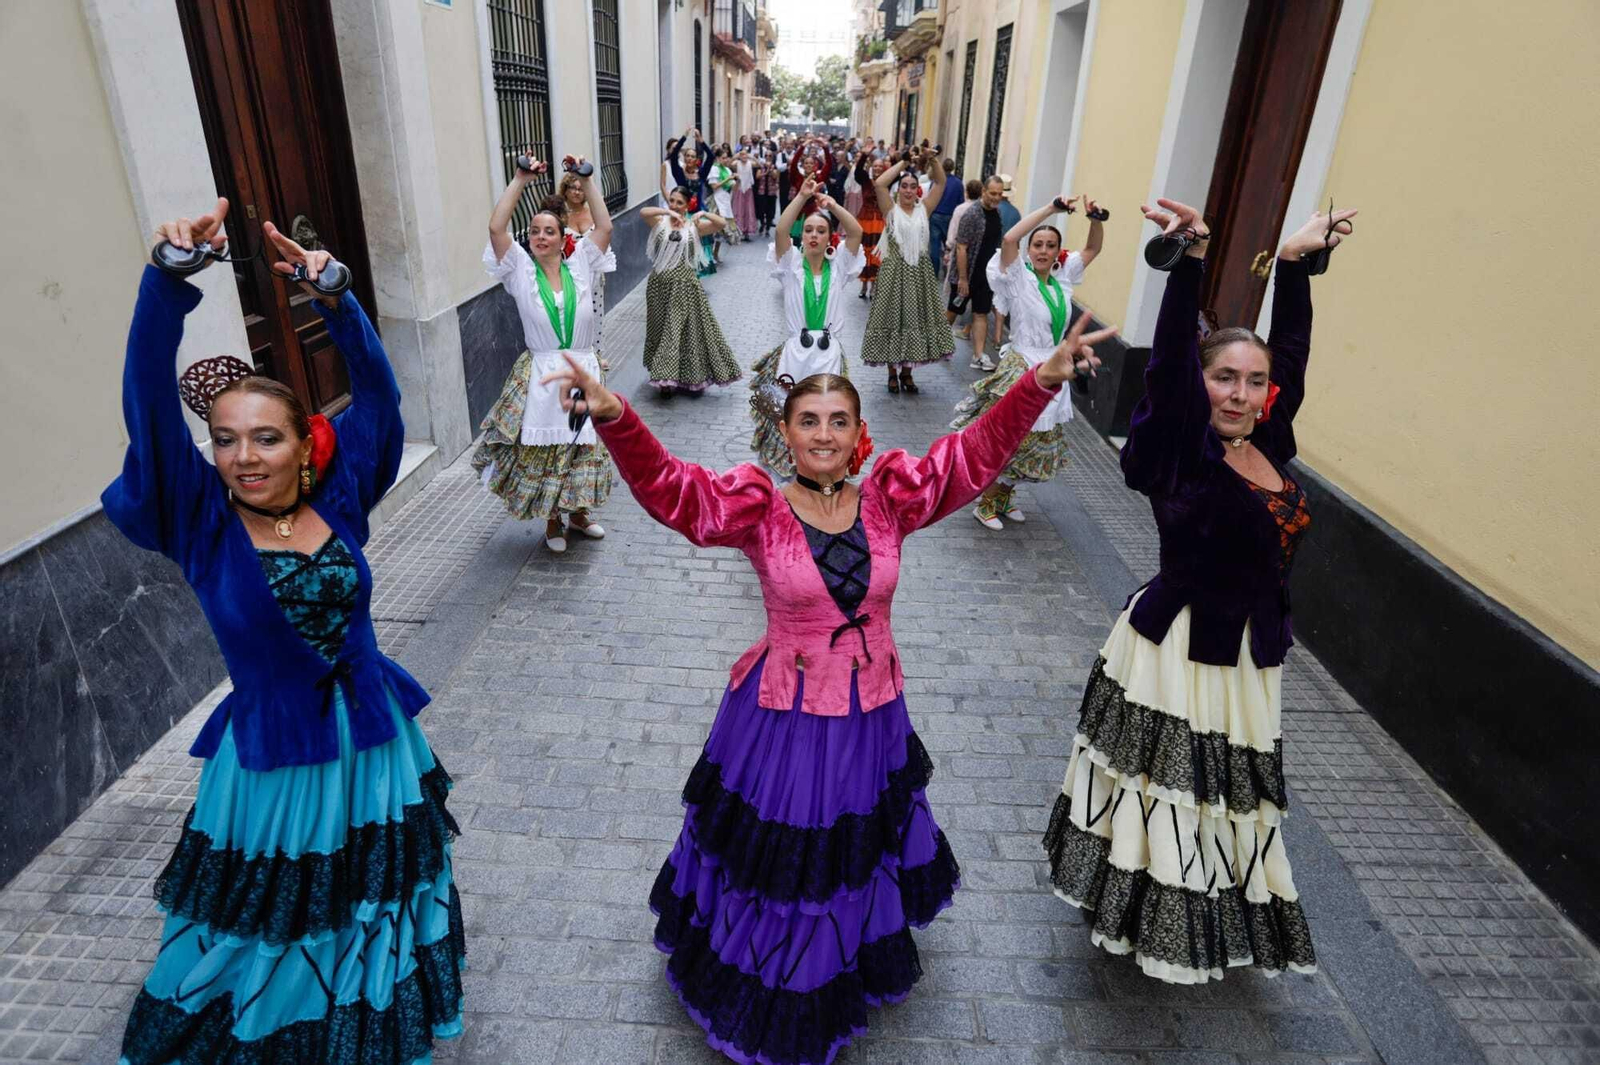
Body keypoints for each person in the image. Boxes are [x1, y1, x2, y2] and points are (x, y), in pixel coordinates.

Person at [537, 307, 1117, 1065]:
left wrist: (1039, 381)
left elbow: (972, 457)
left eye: (838, 420)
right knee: (791, 867)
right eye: (808, 420)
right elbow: (674, 491)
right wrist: (616, 416)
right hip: (786, 720)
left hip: (872, 712)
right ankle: (784, 986)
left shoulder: (892, 498)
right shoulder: (757, 505)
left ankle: (849, 955)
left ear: (857, 432)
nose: (822, 434)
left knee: (852, 853)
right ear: (786, 432)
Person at [109, 200, 465, 1062]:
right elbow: (151, 413)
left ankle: (368, 1011)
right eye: (226, 441)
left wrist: (333, 295)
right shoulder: (199, 521)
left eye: (266, 438)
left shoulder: (338, 502)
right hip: (274, 759)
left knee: (371, 893)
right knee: (273, 913)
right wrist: (166, 282)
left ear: (306, 449)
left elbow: (379, 398)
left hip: (377, 741)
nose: (244, 457)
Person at [1041, 196, 1356, 985]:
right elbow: (1171, 376)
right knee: (1168, 794)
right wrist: (1188, 265)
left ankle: (1207, 907)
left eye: (1253, 382)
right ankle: (1145, 916)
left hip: (1249, 655)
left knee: (1224, 798)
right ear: (1200, 381)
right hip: (1179, 653)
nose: (1240, 393)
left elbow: (1292, 353)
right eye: (1223, 377)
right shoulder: (1182, 451)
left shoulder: (1270, 442)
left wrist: (1292, 267)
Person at [473, 155, 616, 553]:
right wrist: (520, 178)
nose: (539, 236)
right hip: (544, 371)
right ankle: (553, 518)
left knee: (583, 445)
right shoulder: (519, 269)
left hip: (583, 368)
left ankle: (579, 513)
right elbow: (496, 226)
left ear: (561, 237)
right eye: (534, 231)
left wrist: (587, 180)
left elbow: (604, 225)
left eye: (548, 231)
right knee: (549, 448)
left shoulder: (582, 264)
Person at [955, 193, 1105, 528]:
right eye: (1037, 244)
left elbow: (1093, 249)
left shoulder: (1062, 278)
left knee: (1037, 442)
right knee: (1011, 439)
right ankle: (986, 502)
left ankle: (1006, 496)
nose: (1043, 251)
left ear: (1057, 252)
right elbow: (1010, 238)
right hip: (1022, 364)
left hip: (1052, 366)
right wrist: (1052, 208)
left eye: (1050, 245)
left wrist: (1096, 220)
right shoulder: (1018, 278)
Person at [747, 177, 865, 478]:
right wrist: (802, 196)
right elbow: (782, 229)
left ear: (829, 239)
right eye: (809, 230)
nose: (814, 235)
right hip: (795, 353)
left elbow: (856, 231)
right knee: (791, 412)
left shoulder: (839, 267)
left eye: (821, 231)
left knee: (826, 414)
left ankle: (821, 469)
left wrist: (833, 205)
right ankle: (789, 470)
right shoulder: (791, 266)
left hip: (828, 354)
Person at [860, 149, 957, 394]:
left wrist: (932, 159)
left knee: (914, 321)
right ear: (899, 189)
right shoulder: (890, 211)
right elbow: (880, 183)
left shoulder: (925, 210)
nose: (908, 190)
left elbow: (941, 181)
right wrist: (904, 161)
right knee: (893, 321)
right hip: (894, 274)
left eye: (913, 186)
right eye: (904, 186)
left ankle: (907, 372)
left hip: (919, 274)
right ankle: (892, 373)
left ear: (918, 190)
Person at [638, 185, 741, 394]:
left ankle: (666, 380)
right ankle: (676, 375)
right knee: (661, 330)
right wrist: (667, 211)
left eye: (679, 202)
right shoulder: (660, 222)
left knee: (676, 331)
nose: (675, 205)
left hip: (685, 287)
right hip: (658, 286)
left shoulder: (695, 226)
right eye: (672, 201)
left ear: (687, 205)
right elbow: (643, 213)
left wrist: (702, 213)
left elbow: (720, 223)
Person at [952, 175, 1007, 371]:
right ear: (983, 192)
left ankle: (978, 356)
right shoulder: (972, 214)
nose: (996, 197)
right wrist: (963, 278)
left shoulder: (997, 214)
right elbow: (961, 247)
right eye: (993, 193)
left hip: (986, 276)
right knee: (952, 313)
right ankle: (934, 346)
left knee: (981, 313)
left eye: (1000, 194)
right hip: (966, 274)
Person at [559, 168, 607, 368]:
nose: (577, 192)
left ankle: (597, 353)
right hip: (568, 272)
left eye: (581, 188)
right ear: (566, 190)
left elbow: (605, 235)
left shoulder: (593, 213)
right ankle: (573, 353)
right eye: (573, 188)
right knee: (572, 312)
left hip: (593, 271)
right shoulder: (560, 215)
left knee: (595, 312)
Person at [944, 178, 983, 339]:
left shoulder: (961, 209)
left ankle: (941, 336)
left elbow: (953, 234)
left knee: (954, 302)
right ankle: (966, 329)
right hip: (977, 264)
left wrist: (948, 247)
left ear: (966, 192)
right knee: (972, 305)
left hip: (960, 259)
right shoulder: (980, 210)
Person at [853, 153, 889, 299]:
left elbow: (898, 174)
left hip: (879, 221)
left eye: (881, 166)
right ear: (872, 168)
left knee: (876, 253)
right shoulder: (865, 181)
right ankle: (863, 285)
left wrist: (894, 159)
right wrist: (864, 156)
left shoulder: (886, 182)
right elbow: (858, 171)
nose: (878, 168)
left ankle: (874, 286)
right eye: (875, 166)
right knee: (865, 252)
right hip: (866, 220)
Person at [928, 157, 962, 279]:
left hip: (936, 215)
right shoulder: (958, 183)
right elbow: (960, 202)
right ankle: (948, 271)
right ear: (952, 168)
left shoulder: (937, 181)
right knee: (949, 245)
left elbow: (931, 198)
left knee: (935, 246)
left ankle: (934, 272)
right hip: (949, 216)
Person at [753, 150, 780, 236]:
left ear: (772, 157)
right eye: (766, 155)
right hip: (762, 191)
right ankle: (762, 223)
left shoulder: (775, 166)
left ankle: (768, 227)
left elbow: (775, 176)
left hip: (771, 192)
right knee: (761, 210)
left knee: (770, 211)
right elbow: (757, 176)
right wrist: (765, 172)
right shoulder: (760, 166)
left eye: (770, 156)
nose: (768, 157)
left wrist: (770, 170)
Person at [733, 148, 758, 238]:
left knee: (748, 210)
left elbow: (758, 164)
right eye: (742, 155)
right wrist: (735, 156)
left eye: (745, 154)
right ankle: (739, 230)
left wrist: (752, 157)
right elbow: (729, 164)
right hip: (739, 188)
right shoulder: (737, 163)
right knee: (739, 210)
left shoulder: (750, 163)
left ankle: (747, 231)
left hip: (748, 189)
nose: (744, 156)